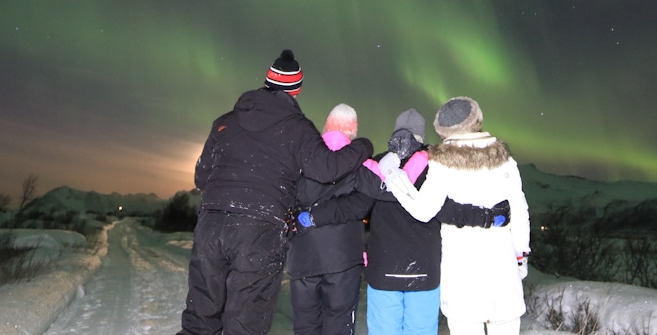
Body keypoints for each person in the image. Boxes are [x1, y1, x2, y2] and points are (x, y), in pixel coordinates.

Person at [177, 50, 374, 335]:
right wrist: (363, 146)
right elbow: (327, 169)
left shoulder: (224, 122)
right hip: (259, 230)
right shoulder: (297, 128)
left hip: (212, 224)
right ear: (297, 89)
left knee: (200, 315)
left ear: (267, 81)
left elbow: (201, 176)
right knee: (245, 319)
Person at [294, 108, 510, 335]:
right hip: (424, 272)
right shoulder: (434, 167)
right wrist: (488, 216)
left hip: (383, 272)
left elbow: (354, 206)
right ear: (421, 137)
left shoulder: (375, 167)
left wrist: (313, 216)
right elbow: (448, 210)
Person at [380, 97, 530, 335]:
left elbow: (423, 210)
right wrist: (520, 258)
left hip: (463, 276)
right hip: (502, 270)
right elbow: (519, 212)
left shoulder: (443, 164)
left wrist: (393, 176)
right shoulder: (505, 161)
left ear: (443, 129)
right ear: (477, 120)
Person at [286, 103, 367, 335]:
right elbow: (363, 203)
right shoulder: (362, 164)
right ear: (354, 130)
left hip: (303, 257)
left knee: (306, 325)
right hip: (343, 260)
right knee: (339, 324)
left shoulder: (299, 161)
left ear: (324, 128)